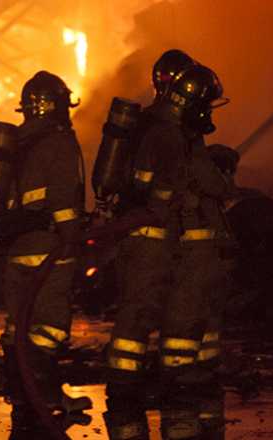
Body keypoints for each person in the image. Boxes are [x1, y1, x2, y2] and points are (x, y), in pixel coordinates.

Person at [104, 63, 235, 440]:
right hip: (154, 240)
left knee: (141, 314)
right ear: (189, 100)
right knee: (144, 315)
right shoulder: (170, 136)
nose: (207, 111)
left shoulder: (155, 128)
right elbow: (189, 184)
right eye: (205, 103)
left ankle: (130, 391)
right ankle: (135, 394)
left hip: (150, 240)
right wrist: (221, 176)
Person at [0, 70, 90, 436]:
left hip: (17, 252)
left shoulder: (14, 145)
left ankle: (23, 399)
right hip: (49, 249)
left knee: (17, 328)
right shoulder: (59, 143)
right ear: (56, 105)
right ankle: (49, 404)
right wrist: (74, 236)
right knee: (48, 329)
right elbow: (61, 199)